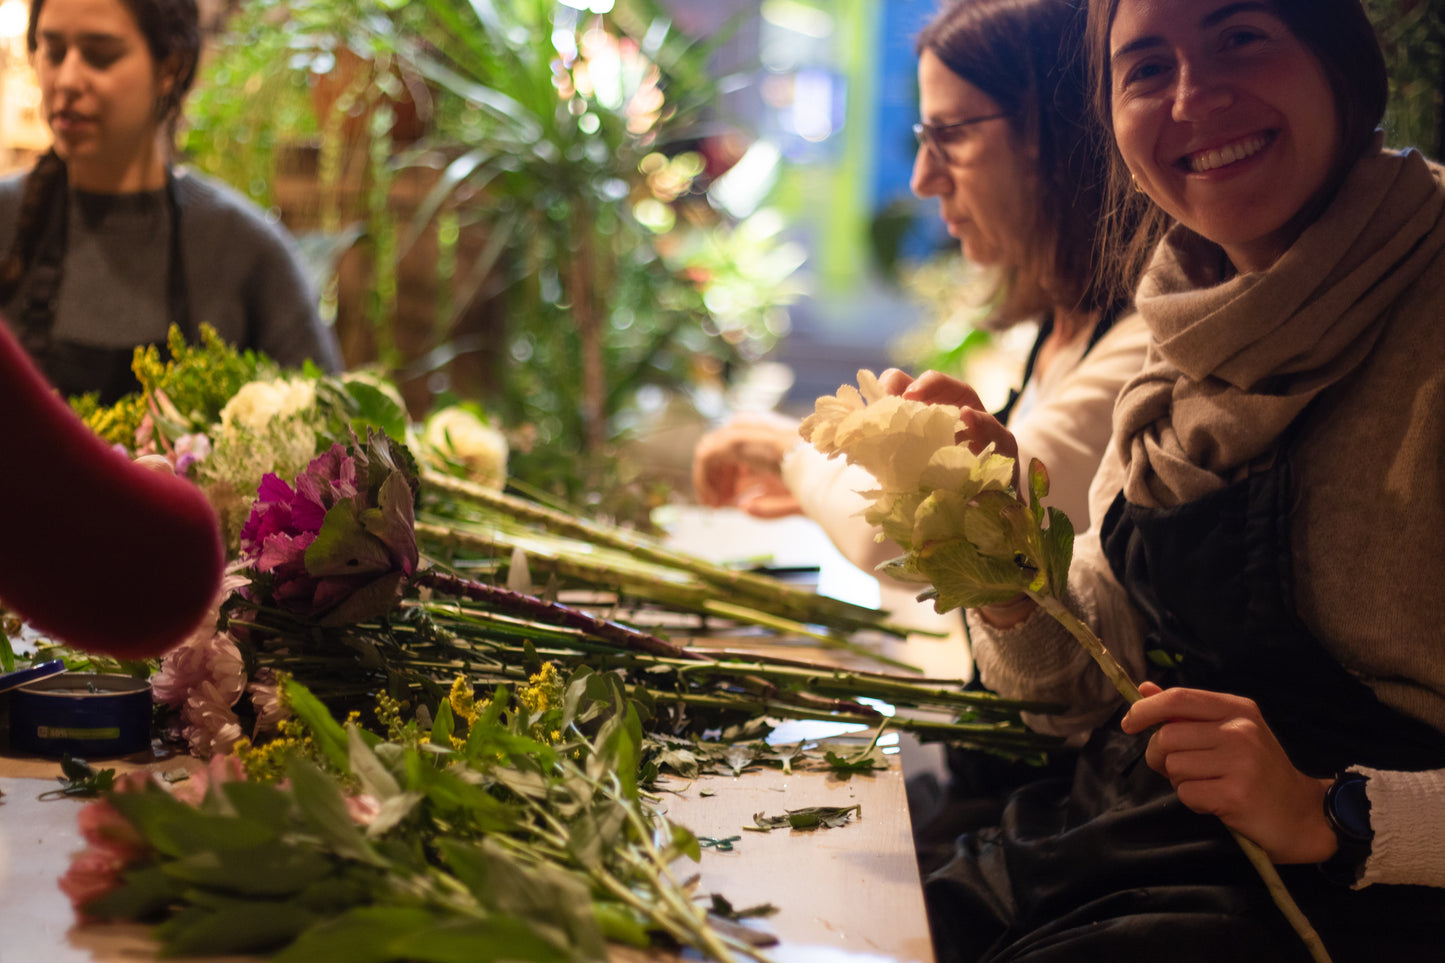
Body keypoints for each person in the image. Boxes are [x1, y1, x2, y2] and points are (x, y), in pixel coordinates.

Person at [907, 0, 1445, 959]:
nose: (1193, 100)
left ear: (1341, 64)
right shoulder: (1181, 321)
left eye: (1240, 38)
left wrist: (1334, 810)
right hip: (1132, 843)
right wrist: (1004, 552)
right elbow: (1079, 690)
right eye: (1147, 68)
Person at [694, 0, 1151, 870]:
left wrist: (787, 450)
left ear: (1054, 134)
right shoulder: (1047, 331)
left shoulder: (1137, 351)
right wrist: (815, 485)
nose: (920, 178)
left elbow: (916, 538)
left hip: (1060, 809)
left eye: (950, 136)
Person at [0, 0, 341, 405]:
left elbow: (333, 427)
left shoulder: (242, 248)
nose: (67, 80)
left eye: (100, 56)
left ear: (170, 69)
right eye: (54, 52)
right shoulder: (6, 219)